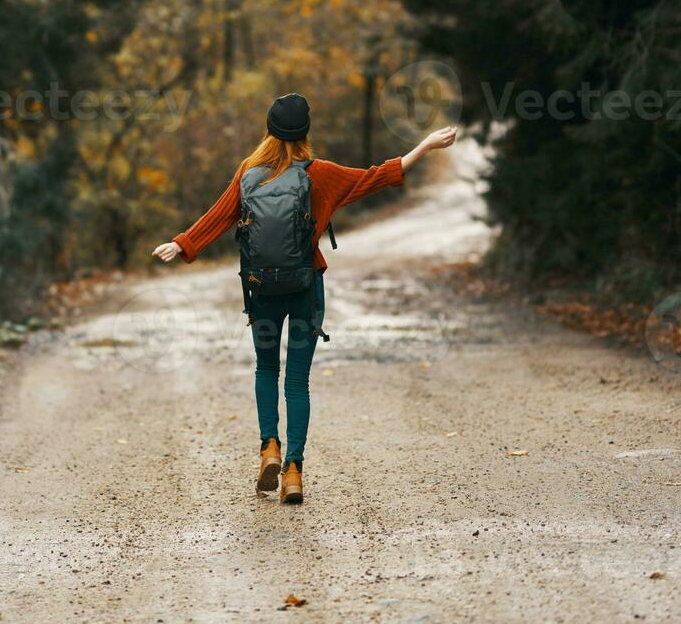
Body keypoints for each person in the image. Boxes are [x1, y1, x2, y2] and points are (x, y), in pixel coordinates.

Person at [153, 92, 457, 503]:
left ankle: (268, 449)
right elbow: (379, 176)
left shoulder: (249, 172)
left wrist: (182, 243)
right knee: (297, 380)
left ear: (269, 129)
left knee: (265, 369)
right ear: (305, 132)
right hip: (304, 288)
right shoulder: (321, 174)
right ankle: (293, 472)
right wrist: (425, 145)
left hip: (260, 290)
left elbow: (220, 215)